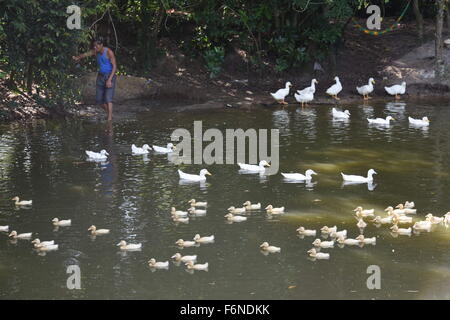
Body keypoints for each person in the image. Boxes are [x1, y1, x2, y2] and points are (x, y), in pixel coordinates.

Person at [73, 37, 117, 121]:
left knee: (108, 99)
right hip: (100, 76)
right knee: (99, 100)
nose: (95, 47)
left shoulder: (108, 52)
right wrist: (77, 57)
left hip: (109, 76)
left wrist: (109, 80)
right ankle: (109, 113)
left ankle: (109, 119)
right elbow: (86, 54)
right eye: (94, 46)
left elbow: (114, 67)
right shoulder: (95, 52)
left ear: (101, 45)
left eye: (96, 46)